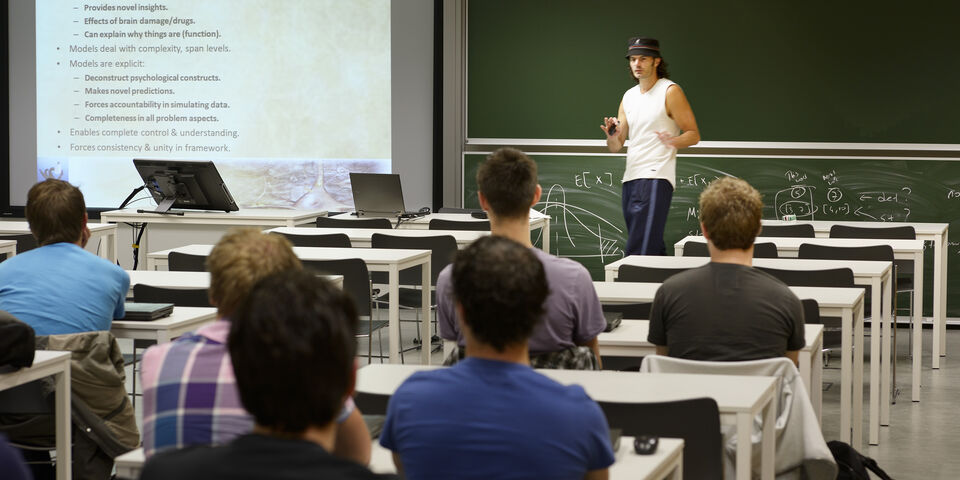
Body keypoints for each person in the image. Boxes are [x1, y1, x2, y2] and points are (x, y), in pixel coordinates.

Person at [382, 236, 615, 480]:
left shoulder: (409, 402)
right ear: (537, 311)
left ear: (459, 310)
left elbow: (404, 468)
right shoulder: (579, 415)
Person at [139, 228, 371, 464]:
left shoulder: (156, 360)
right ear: (289, 292)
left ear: (212, 294)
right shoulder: (301, 364)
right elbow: (358, 456)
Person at [437, 147, 606, 367]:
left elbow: (456, 344)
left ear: (482, 200)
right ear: (536, 195)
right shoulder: (574, 277)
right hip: (553, 395)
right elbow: (590, 352)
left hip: (478, 395)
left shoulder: (451, 278)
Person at [647, 177, 805, 364]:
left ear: (704, 230)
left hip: (689, 393)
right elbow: (789, 375)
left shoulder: (669, 294)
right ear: (758, 229)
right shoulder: (786, 300)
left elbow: (664, 366)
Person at [602, 36, 700, 256]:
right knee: (649, 244)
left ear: (656, 61)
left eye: (643, 59)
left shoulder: (670, 91)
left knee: (641, 246)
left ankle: (631, 285)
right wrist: (612, 135)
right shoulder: (628, 97)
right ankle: (659, 287)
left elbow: (693, 135)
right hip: (631, 177)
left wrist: (672, 141)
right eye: (633, 59)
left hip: (657, 176)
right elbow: (616, 146)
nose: (637, 64)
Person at [0, 179, 128, 335]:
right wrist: (79, 252)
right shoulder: (114, 274)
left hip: (25, 359)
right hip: (83, 358)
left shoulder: (3, 272)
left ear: (31, 226)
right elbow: (114, 316)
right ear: (85, 222)